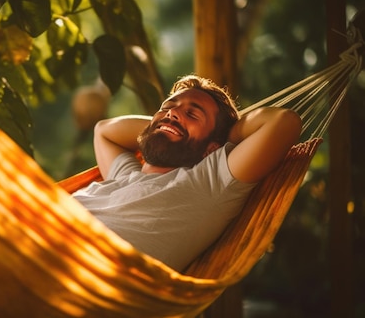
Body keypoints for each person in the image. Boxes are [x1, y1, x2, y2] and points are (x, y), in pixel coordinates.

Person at [72, 74, 302, 271]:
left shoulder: (208, 183)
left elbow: (284, 122)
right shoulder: (125, 176)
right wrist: (163, 124)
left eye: (193, 115)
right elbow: (103, 130)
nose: (173, 113)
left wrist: (221, 139)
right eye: (167, 107)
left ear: (212, 148)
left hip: (81, 270)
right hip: (49, 234)